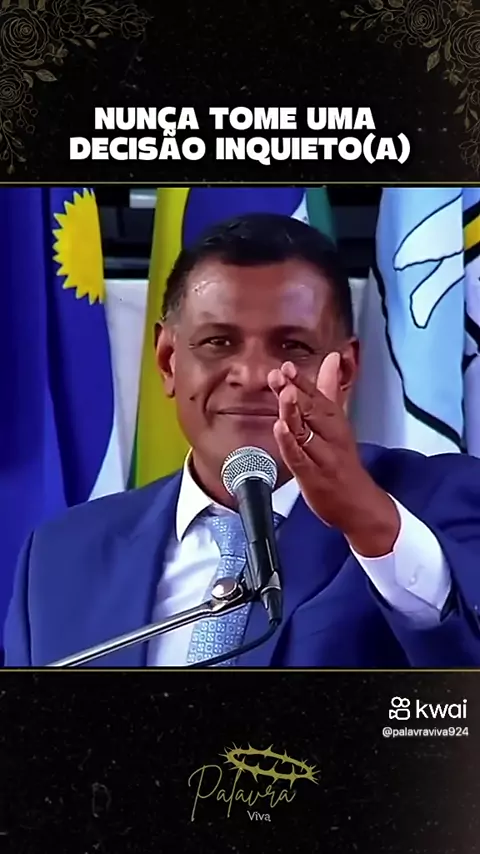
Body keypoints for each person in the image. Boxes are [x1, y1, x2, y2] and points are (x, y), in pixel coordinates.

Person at [5, 213, 480, 668]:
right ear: (168, 361)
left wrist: (369, 521)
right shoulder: (58, 558)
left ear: (344, 371)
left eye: (293, 346)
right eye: (218, 342)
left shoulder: (438, 502)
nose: (253, 376)